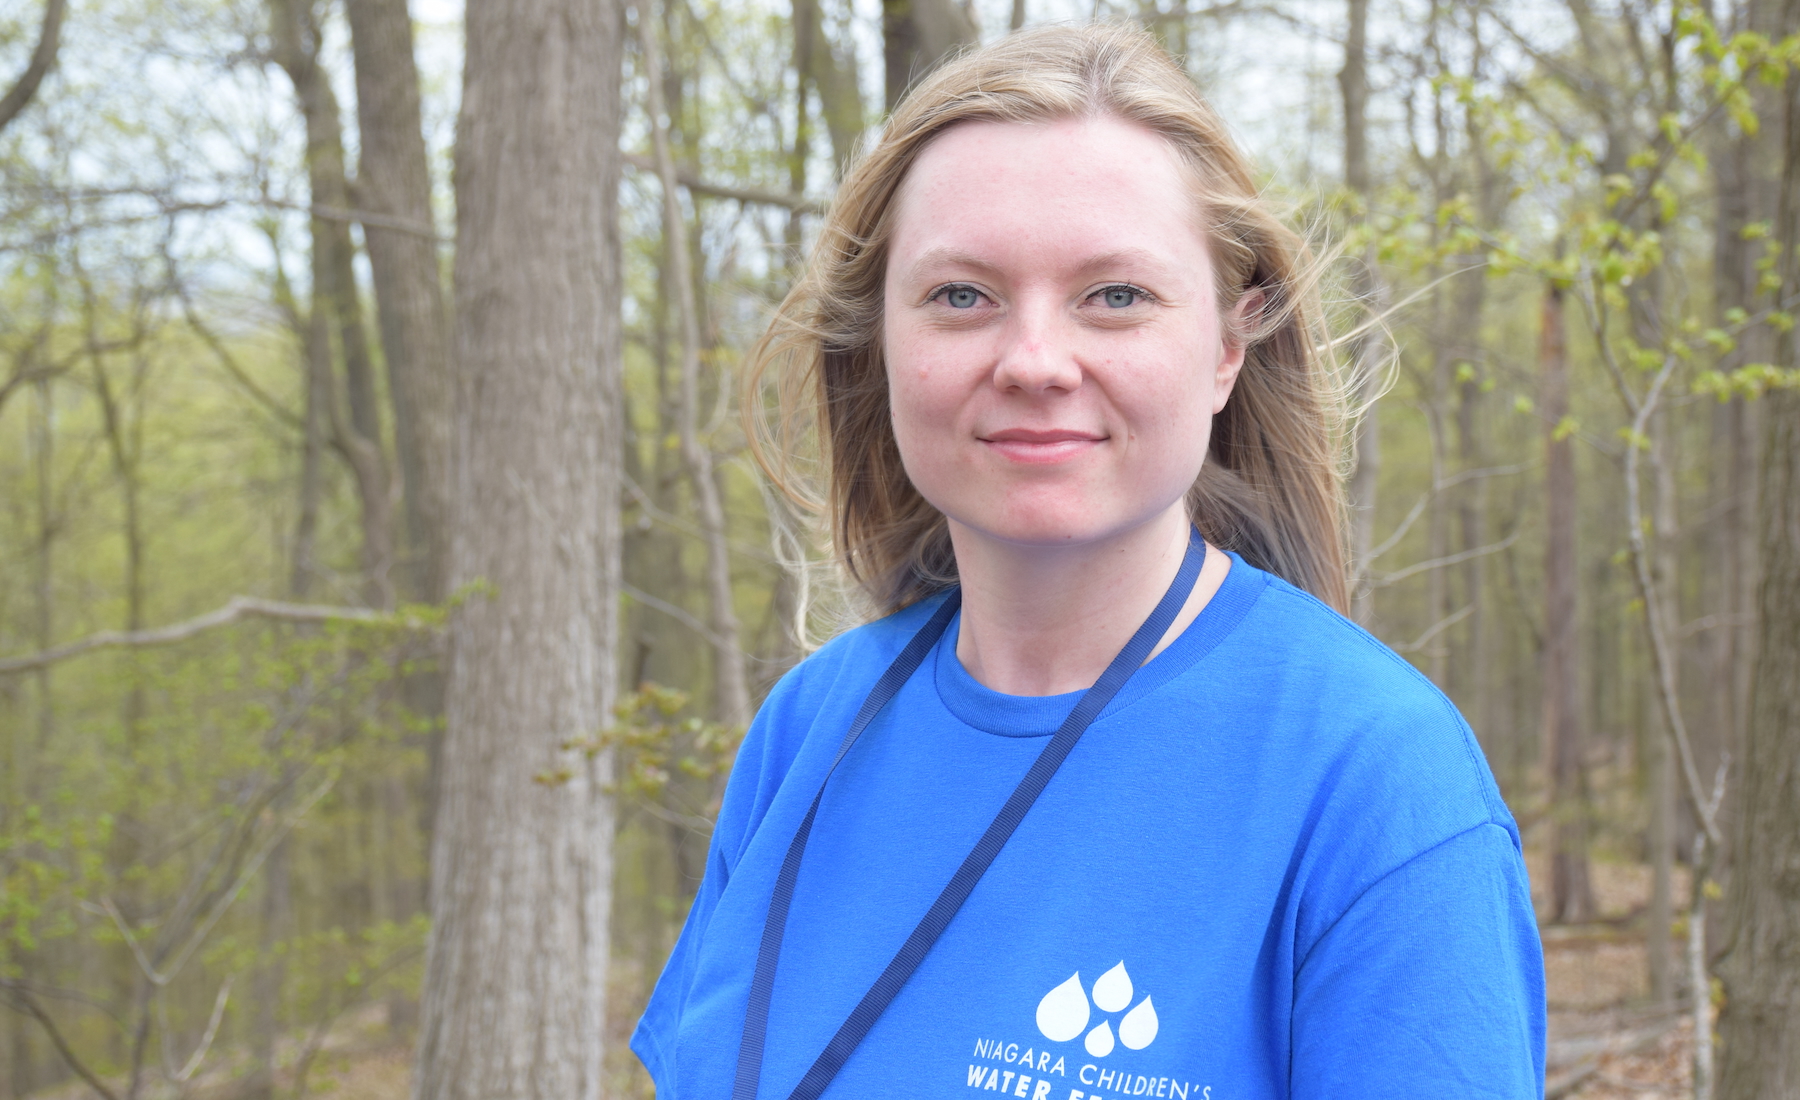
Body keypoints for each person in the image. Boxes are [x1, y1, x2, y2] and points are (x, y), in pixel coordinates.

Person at [631, 23, 1545, 1100]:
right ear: (879, 342)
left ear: (1225, 346)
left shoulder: (1375, 778)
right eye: (961, 294)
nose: (1032, 360)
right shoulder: (806, 733)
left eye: (1115, 295)